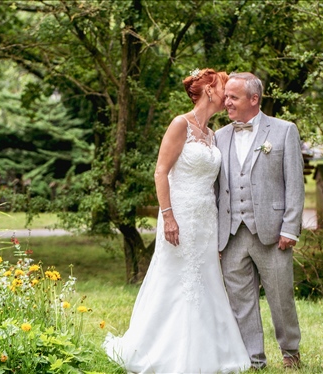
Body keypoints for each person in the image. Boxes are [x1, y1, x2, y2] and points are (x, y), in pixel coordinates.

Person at [103, 68, 250, 373]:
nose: (228, 93)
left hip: (206, 217)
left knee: (206, 279)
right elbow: (160, 172)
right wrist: (168, 216)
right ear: (210, 90)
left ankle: (211, 353)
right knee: (176, 278)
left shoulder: (212, 134)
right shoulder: (179, 124)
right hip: (179, 214)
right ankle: (159, 349)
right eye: (224, 87)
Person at [215, 72, 305, 370]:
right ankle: (253, 358)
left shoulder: (284, 131)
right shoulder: (220, 136)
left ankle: (290, 351)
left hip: (272, 231)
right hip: (231, 234)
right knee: (241, 302)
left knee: (281, 298)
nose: (226, 101)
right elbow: (217, 189)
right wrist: (215, 235)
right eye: (226, 96)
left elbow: (295, 183)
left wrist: (290, 228)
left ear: (254, 99)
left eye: (233, 97)